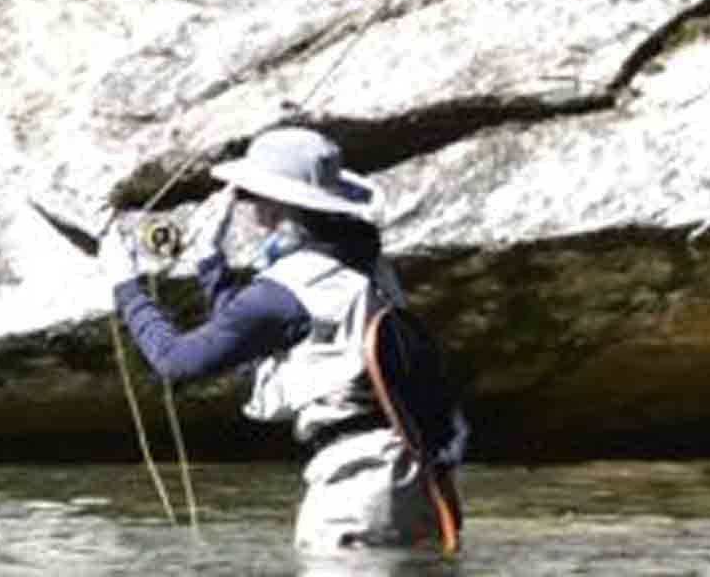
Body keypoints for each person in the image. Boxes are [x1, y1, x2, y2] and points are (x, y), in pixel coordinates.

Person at [102, 127, 466, 553]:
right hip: (413, 475)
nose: (252, 210)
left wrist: (125, 285)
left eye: (254, 197)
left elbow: (174, 361)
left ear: (279, 206)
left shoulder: (286, 289)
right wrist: (210, 263)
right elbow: (252, 340)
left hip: (355, 491)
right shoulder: (369, 266)